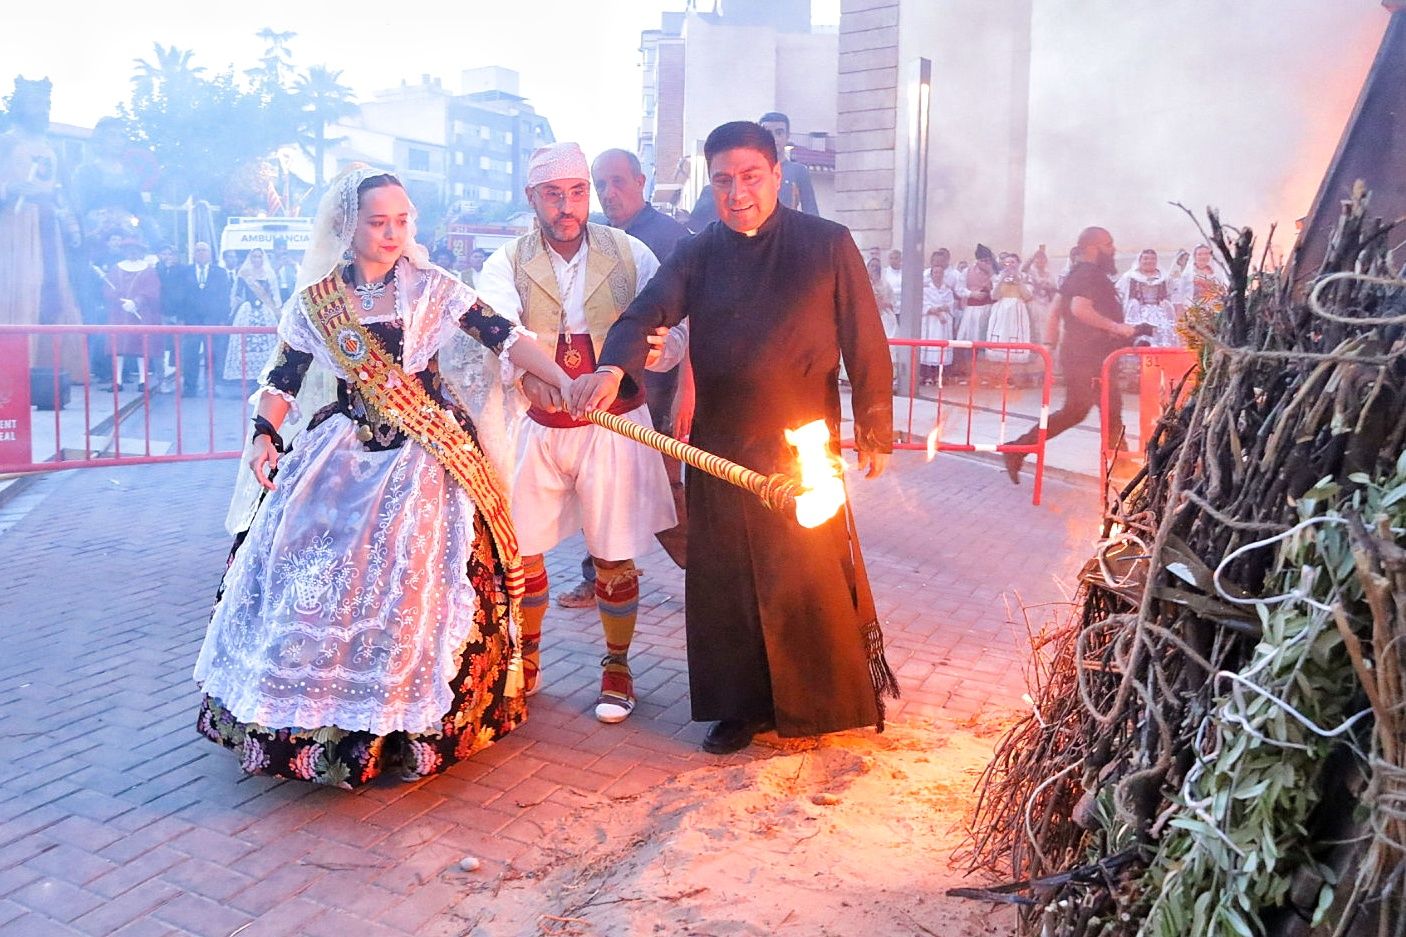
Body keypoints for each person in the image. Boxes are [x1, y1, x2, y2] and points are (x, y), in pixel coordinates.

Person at [193, 165, 574, 788]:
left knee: (420, 574)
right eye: (379, 221)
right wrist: (264, 434)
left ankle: (405, 728)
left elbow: (505, 338)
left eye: (403, 219)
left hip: (425, 457)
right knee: (310, 570)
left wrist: (562, 379)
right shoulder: (317, 302)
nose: (393, 232)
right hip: (339, 455)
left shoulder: (432, 288)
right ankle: (312, 720)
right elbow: (282, 379)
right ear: (349, 226)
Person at [567, 120, 899, 756]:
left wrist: (875, 428)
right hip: (719, 444)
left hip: (803, 441)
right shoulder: (699, 251)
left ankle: (815, 704)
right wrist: (614, 367)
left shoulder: (827, 243)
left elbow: (865, 336)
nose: (737, 192)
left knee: (804, 575)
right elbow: (645, 312)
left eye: (750, 177)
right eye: (723, 180)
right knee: (727, 582)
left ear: (777, 176)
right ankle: (737, 711)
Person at [474, 142, 677, 725]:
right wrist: (530, 376)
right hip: (536, 424)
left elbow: (670, 331)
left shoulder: (631, 251)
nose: (568, 207)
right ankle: (527, 654)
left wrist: (642, 362)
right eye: (553, 195)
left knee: (613, 553)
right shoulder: (506, 260)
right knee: (523, 550)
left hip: (613, 426)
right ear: (531, 198)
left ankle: (618, 666)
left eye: (578, 193)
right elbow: (497, 329)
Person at [548, 148, 692, 610]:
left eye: (619, 182)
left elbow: (692, 321)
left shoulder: (671, 239)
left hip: (656, 393)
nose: (610, 193)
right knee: (601, 492)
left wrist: (687, 392)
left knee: (667, 494)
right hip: (599, 393)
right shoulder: (592, 240)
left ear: (641, 182)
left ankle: (708, 575)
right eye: (601, 185)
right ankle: (599, 576)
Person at [1003, 227, 1153, 484]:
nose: (1113, 248)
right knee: (1093, 410)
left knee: (1096, 410)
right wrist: (1117, 327)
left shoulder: (1077, 273)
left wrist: (1049, 347)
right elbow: (1079, 309)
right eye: (1108, 243)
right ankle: (1123, 470)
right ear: (1093, 248)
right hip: (1089, 358)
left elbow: (1054, 311)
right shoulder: (1089, 274)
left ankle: (1121, 466)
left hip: (1085, 356)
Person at [0, 76, 87, 383]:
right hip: (15, 227)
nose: (43, 109)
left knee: (52, 290)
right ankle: (13, 366)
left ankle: (51, 366)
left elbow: (62, 191)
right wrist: (10, 188)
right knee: (22, 287)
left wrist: (72, 222)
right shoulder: (6, 141)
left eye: (46, 104)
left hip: (48, 225)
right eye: (36, 102)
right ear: (19, 104)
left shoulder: (51, 148)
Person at [169, 241, 232, 395]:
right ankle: (190, 386)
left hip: (213, 320)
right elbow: (179, 296)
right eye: (198, 251)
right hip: (191, 320)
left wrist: (223, 319)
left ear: (210, 254)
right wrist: (181, 318)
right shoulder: (184, 272)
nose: (201, 253)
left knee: (212, 354)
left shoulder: (220, 272)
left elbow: (224, 297)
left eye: (204, 250)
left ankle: (211, 387)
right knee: (190, 354)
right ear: (193, 254)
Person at [103, 236, 161, 390]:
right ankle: (117, 381)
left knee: (141, 347)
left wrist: (137, 302)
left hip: (140, 313)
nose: (132, 253)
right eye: (129, 250)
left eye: (135, 250)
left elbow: (152, 290)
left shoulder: (148, 270)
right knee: (118, 347)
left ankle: (143, 380)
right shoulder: (116, 269)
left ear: (141, 251)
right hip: (119, 313)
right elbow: (109, 289)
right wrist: (120, 302)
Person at [223, 247, 282, 381]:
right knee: (244, 343)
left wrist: (278, 312)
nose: (257, 259)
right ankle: (246, 377)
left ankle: (267, 374)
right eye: (254, 256)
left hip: (266, 311)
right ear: (250, 258)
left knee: (268, 343)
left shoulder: (269, 274)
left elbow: (275, 296)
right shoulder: (244, 273)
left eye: (259, 256)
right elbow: (237, 295)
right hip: (247, 311)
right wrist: (232, 311)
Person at [757, 111, 818, 215]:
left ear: (787, 136)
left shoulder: (799, 171)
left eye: (779, 133)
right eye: (768, 133)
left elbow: (811, 211)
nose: (774, 139)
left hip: (789, 229)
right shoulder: (750, 171)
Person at [1117, 249, 1178, 347]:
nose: (1149, 261)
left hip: (1160, 313)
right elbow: (1120, 295)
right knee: (1140, 337)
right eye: (1145, 259)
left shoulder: (1165, 278)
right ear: (1139, 260)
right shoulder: (1129, 277)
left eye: (1153, 259)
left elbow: (1173, 296)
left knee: (1163, 335)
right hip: (1137, 314)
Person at [985, 251, 1033, 367]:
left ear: (1018, 263)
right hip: (1001, 310)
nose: (1010, 265)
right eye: (1007, 262)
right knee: (1000, 338)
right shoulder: (997, 277)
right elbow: (994, 296)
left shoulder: (1026, 277)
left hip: (1017, 310)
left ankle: (1014, 374)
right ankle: (998, 374)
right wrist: (1002, 280)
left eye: (1013, 262)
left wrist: (1019, 281)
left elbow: (1028, 296)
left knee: (1016, 339)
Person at [920, 249, 957, 383]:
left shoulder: (947, 289)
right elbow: (923, 305)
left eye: (940, 272)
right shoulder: (926, 289)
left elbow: (950, 305)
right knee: (929, 347)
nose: (938, 275)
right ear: (931, 274)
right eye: (935, 272)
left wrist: (942, 311)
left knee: (942, 348)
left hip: (943, 324)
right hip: (931, 322)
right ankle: (927, 375)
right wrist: (936, 311)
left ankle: (940, 376)